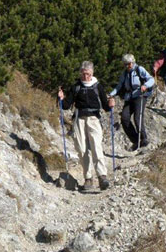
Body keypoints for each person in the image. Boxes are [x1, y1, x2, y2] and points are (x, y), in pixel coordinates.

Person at [58, 61, 113, 191]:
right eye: (83, 74)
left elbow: (105, 106)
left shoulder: (97, 86)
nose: (85, 77)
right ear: (80, 73)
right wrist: (61, 98)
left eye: (88, 74)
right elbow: (66, 105)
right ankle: (88, 178)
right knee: (82, 149)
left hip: (94, 119)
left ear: (92, 73)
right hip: (79, 119)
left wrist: (110, 105)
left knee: (96, 146)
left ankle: (102, 176)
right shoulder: (76, 87)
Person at [109, 54, 155, 151]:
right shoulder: (124, 74)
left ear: (133, 62)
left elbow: (151, 79)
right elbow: (119, 86)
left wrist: (145, 85)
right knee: (124, 118)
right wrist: (111, 94)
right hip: (129, 97)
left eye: (129, 64)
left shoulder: (139, 69)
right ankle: (135, 141)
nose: (127, 66)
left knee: (137, 118)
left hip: (140, 96)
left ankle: (144, 139)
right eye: (125, 64)